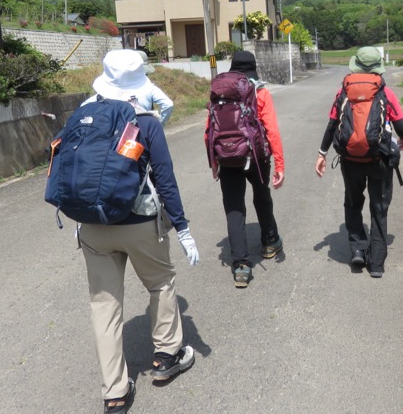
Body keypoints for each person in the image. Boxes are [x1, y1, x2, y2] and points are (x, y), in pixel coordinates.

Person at [81, 49, 199, 414]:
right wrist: (182, 228)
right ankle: (166, 356)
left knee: (104, 305)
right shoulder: (145, 121)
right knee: (161, 284)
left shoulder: (83, 114)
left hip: (94, 226)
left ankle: (114, 391)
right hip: (139, 223)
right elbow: (164, 179)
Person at [314, 46, 403, 278]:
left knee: (353, 203)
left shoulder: (343, 91)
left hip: (350, 159)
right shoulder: (385, 92)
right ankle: (376, 264)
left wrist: (322, 153)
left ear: (356, 65)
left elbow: (331, 125)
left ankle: (357, 249)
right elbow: (400, 126)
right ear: (378, 67)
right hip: (379, 158)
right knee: (378, 208)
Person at [206, 50, 285, 288]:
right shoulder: (260, 91)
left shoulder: (220, 91)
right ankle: (270, 242)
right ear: (253, 68)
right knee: (262, 196)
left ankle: (240, 264)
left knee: (233, 205)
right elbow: (271, 129)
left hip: (227, 155)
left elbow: (210, 128)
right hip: (256, 155)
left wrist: (214, 161)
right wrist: (279, 163)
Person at [134, 50, 174, 126]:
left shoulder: (115, 88)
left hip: (124, 131)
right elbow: (168, 104)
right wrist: (159, 124)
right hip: (146, 127)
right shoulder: (148, 87)